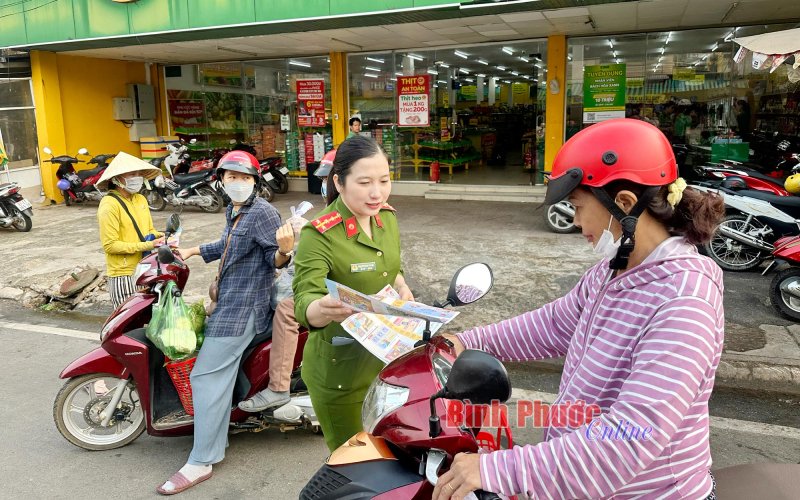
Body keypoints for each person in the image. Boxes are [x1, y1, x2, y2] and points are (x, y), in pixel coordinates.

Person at [433, 118, 726, 500]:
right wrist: (462, 341)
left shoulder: (684, 301)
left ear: (623, 203)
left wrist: (498, 468)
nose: (575, 221)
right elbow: (553, 325)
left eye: (578, 206)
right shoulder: (614, 271)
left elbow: (628, 435)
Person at [157, 150, 294, 495]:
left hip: (244, 307)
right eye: (230, 177)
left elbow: (272, 258)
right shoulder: (236, 210)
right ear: (220, 180)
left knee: (204, 376)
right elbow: (227, 245)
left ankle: (201, 460)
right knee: (214, 370)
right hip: (228, 300)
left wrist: (285, 251)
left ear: (254, 181)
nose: (237, 183)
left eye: (244, 178)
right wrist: (189, 251)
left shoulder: (262, 211)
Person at [292, 135, 413, 451]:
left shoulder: (386, 217)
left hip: (386, 358)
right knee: (355, 462)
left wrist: (401, 286)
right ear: (339, 182)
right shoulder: (318, 233)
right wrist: (322, 307)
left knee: (392, 455)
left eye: (384, 180)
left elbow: (389, 266)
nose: (377, 192)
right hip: (341, 371)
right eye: (365, 182)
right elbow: (304, 298)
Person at [239, 149, 337, 412]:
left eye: (329, 178)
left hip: (333, 288)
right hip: (318, 281)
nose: (325, 184)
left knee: (285, 309)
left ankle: (278, 387)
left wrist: (305, 235)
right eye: (325, 178)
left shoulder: (344, 214)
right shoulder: (332, 210)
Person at [96, 152, 165, 309]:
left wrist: (161, 236)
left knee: (147, 324)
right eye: (132, 174)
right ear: (117, 178)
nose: (138, 177)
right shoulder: (109, 205)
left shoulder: (140, 199)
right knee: (128, 328)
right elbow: (110, 245)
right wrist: (149, 245)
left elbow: (148, 230)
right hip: (123, 274)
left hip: (146, 269)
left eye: (140, 174)